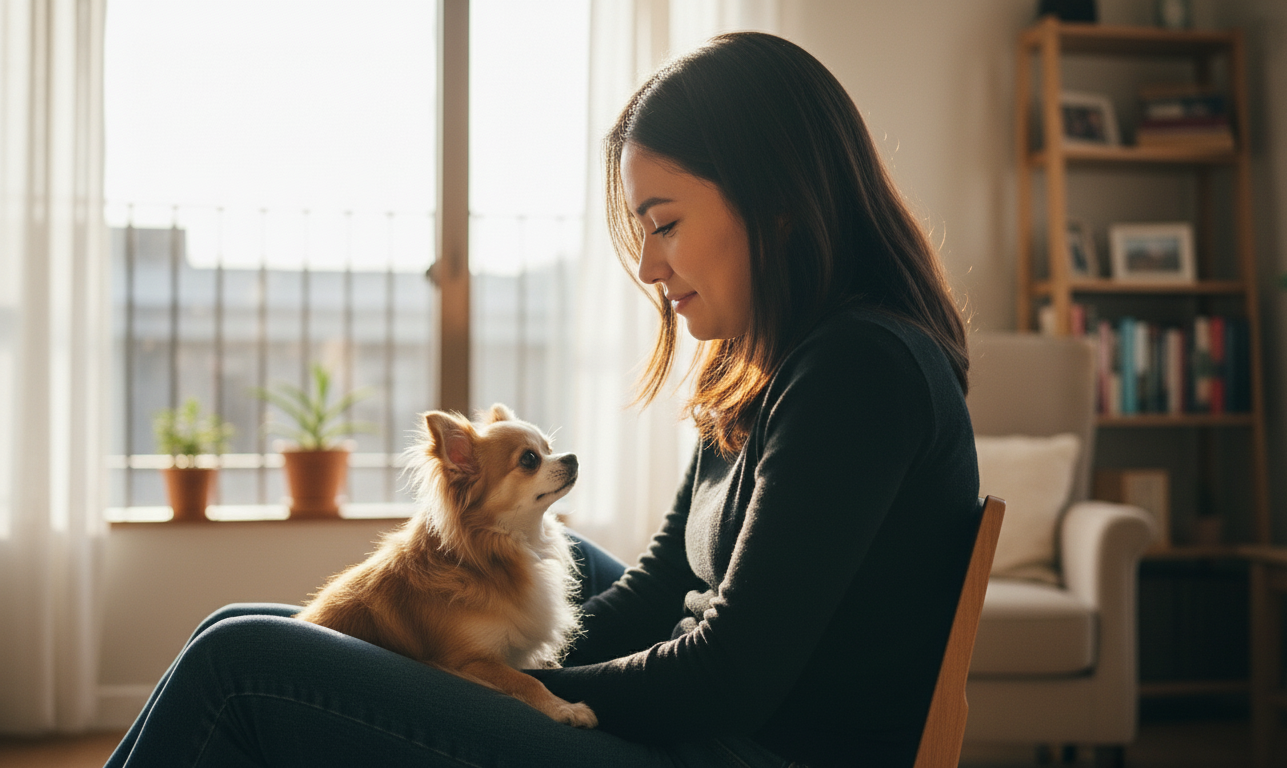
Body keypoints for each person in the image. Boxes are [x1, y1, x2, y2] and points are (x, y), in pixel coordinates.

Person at [105, 31, 978, 768]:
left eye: (665, 223)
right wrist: (474, 663)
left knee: (242, 660)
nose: (647, 266)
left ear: (779, 202)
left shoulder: (858, 374)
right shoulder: (771, 365)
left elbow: (729, 677)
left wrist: (496, 682)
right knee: (244, 620)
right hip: (705, 720)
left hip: (736, 747)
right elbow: (661, 584)